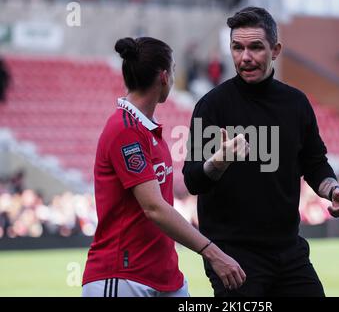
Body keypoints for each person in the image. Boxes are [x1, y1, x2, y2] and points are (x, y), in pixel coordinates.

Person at [183, 7, 339, 297]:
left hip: (289, 252)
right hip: (234, 257)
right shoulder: (212, 107)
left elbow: (314, 162)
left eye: (255, 47)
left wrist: (332, 188)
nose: (245, 57)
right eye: (237, 47)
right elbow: (193, 180)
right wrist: (219, 160)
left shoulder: (296, 104)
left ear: (275, 50)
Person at [82, 37, 245, 297]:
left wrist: (219, 160)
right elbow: (154, 207)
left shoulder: (146, 126)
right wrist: (213, 252)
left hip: (165, 276)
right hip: (124, 276)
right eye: (174, 69)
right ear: (164, 77)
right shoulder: (124, 129)